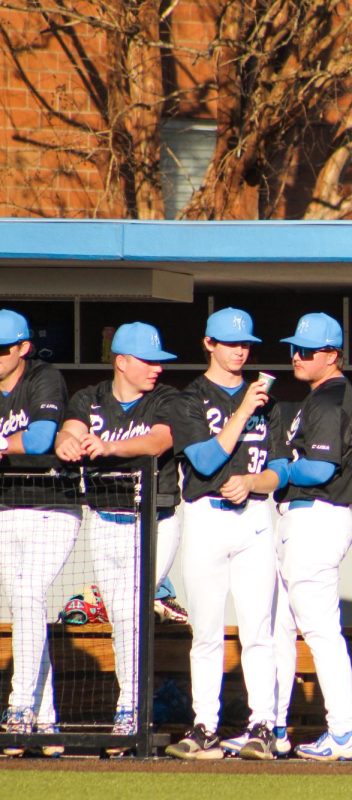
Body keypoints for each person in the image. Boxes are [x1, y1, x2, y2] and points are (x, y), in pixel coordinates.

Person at [165, 308, 287, 760]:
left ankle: (263, 724)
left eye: (246, 344)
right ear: (209, 344)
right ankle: (205, 726)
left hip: (254, 518)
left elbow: (280, 469)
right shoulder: (189, 398)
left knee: (258, 630)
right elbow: (204, 461)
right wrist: (241, 411)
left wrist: (254, 482)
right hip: (206, 516)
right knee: (207, 632)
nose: (240, 351)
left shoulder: (268, 403)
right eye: (230, 342)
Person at [54, 321, 181, 754]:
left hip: (157, 519)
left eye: (159, 362)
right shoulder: (90, 398)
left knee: (131, 610)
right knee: (122, 616)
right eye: (148, 361)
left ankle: (131, 712)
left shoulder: (165, 398)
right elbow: (68, 430)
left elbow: (159, 439)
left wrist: (106, 448)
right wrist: (68, 444)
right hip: (107, 518)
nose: (157, 369)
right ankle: (132, 711)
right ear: (122, 361)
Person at [273, 312, 352, 761]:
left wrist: (279, 469)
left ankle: (344, 732)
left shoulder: (329, 398)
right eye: (294, 348)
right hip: (312, 518)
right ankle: (273, 724)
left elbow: (320, 467)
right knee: (290, 627)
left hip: (317, 516)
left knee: (321, 632)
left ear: (331, 355)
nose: (297, 356)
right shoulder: (323, 395)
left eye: (307, 351)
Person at [0, 310, 77, 758]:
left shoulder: (45, 377)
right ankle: (47, 723)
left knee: (28, 597)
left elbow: (41, 439)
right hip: (7, 504)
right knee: (23, 605)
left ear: (24, 348)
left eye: (3, 348)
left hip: (53, 506)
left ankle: (19, 708)